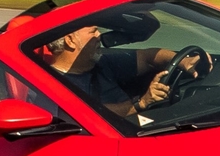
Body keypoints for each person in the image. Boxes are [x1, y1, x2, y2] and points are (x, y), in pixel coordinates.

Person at [38, 22, 205, 121]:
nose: (99, 35)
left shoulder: (102, 62)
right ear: (70, 41)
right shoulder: (53, 86)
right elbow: (90, 114)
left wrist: (183, 60)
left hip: (142, 125)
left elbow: (147, 57)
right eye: (93, 31)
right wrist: (142, 103)